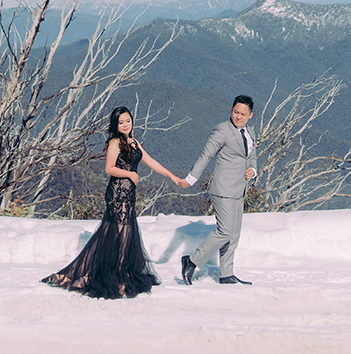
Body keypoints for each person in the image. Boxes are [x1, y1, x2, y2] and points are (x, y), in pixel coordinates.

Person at [42, 106, 188, 298]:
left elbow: (150, 160)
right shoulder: (115, 142)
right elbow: (109, 168)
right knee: (121, 233)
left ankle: (118, 273)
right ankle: (114, 275)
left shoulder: (133, 142)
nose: (125, 125)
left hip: (129, 193)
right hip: (118, 192)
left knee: (121, 233)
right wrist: (130, 174)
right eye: (121, 122)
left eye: (128, 120)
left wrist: (172, 176)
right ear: (115, 125)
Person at [181, 95, 258, 286]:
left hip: (240, 189)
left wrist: (253, 170)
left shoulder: (250, 132)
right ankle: (191, 262)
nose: (238, 116)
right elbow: (206, 154)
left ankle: (226, 274)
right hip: (222, 188)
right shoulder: (222, 130)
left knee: (234, 234)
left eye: (243, 114)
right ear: (231, 110)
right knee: (225, 231)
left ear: (250, 115)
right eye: (235, 112)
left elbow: (252, 156)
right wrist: (191, 179)